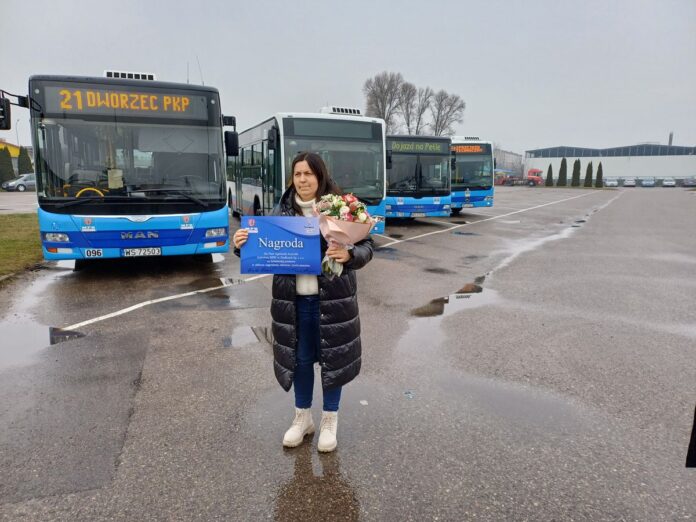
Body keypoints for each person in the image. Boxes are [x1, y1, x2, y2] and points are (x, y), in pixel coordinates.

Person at [233, 152, 374, 452]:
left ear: (320, 176)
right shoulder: (280, 212)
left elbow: (367, 245)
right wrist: (241, 246)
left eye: (308, 174)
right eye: (297, 174)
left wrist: (350, 255)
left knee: (333, 360)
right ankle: (302, 419)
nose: (302, 179)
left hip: (333, 301)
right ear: (291, 178)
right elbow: (261, 251)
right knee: (300, 362)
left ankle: (329, 422)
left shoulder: (340, 207)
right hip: (293, 304)